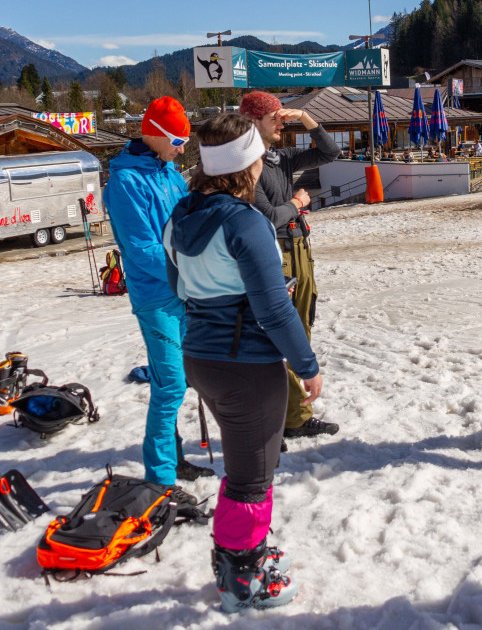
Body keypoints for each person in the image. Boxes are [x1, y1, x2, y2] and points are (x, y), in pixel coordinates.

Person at [163, 113, 322, 612]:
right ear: (246, 162)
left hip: (203, 355)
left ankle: (241, 550)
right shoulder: (245, 221)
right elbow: (274, 310)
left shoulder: (183, 214)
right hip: (247, 364)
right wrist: (307, 365)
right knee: (253, 474)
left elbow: (179, 288)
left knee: (246, 465)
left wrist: (226, 296)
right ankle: (240, 571)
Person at [103, 96, 211, 494]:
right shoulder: (126, 182)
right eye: (179, 140)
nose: (184, 148)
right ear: (157, 134)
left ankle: (175, 457)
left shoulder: (169, 174)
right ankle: (161, 479)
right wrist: (188, 267)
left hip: (187, 287)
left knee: (188, 377)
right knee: (170, 386)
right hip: (157, 295)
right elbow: (140, 249)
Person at [240, 91, 341, 440]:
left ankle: (293, 415)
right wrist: (297, 203)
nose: (282, 123)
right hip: (276, 252)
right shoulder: (245, 164)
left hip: (299, 248)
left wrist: (306, 118)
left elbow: (331, 152)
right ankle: (289, 417)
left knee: (302, 327)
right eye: (275, 118)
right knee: (281, 333)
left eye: (283, 118)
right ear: (253, 121)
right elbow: (267, 216)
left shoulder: (278, 158)